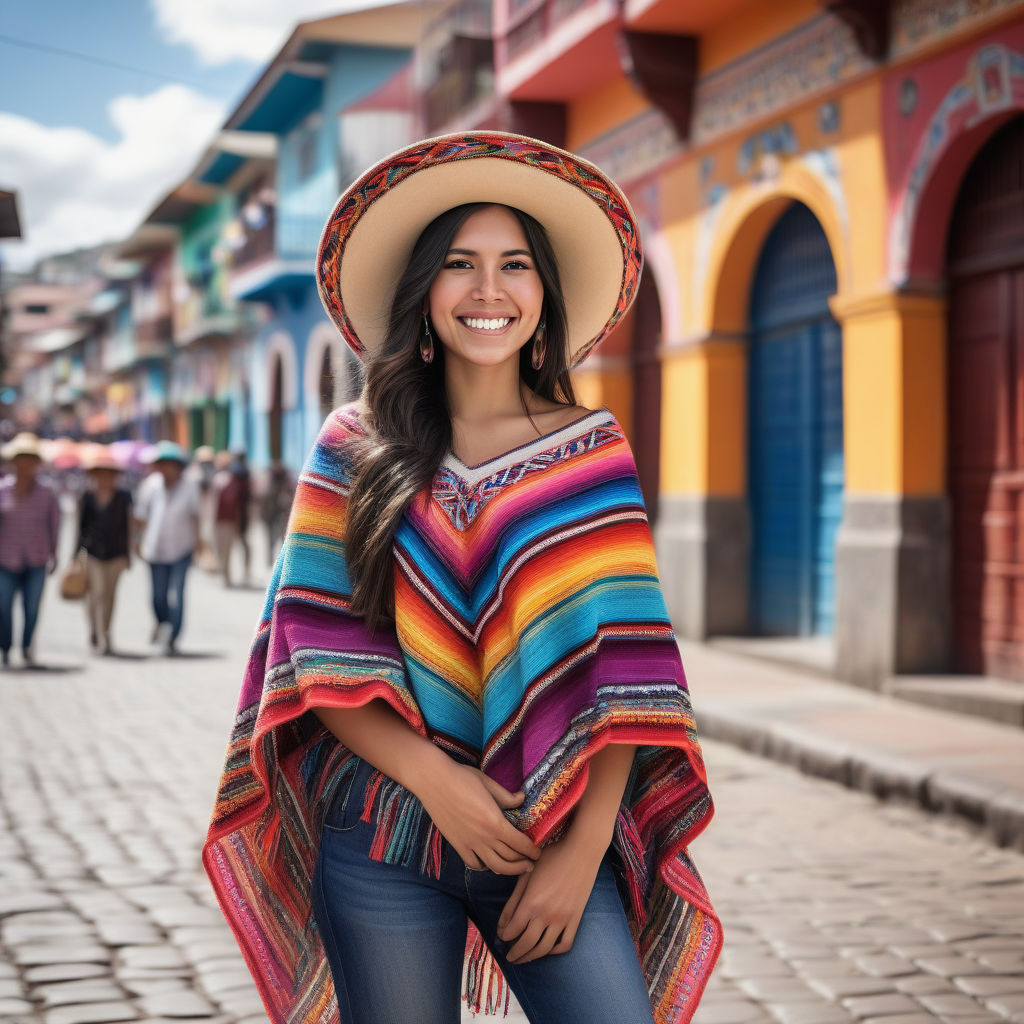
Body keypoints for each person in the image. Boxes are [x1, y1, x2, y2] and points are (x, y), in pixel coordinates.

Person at [202, 133, 722, 1024]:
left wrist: (580, 852)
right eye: (459, 265)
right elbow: (317, 655)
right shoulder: (353, 446)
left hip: (550, 832)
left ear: (544, 296)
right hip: (380, 833)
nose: (489, 291)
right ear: (424, 293)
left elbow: (629, 673)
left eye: (515, 265)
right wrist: (444, 790)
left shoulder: (590, 452)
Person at [133, 441, 200, 656]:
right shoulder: (150, 486)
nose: (165, 469)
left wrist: (199, 544)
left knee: (177, 594)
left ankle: (173, 636)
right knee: (158, 597)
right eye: (161, 464)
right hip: (155, 550)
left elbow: (195, 517)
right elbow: (140, 518)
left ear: (178, 466)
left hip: (182, 549)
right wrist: (137, 541)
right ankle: (163, 622)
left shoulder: (190, 486)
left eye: (169, 464)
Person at [0, 432, 60, 668]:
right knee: (3, 605)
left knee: (32, 607)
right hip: (5, 559)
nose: (24, 465)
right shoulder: (2, 490)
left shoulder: (47, 493)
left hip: (36, 558)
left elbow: (54, 526)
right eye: (20, 459)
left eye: (29, 459)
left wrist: (54, 555)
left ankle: (26, 646)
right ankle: (5, 646)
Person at [76, 446, 132, 655]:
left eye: (109, 474)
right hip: (92, 553)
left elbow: (129, 526)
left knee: (110, 595)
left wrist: (129, 554)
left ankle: (106, 633)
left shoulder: (124, 497)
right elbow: (80, 528)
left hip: (116, 554)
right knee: (96, 594)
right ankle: (94, 629)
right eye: (100, 474)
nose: (105, 478)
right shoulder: (87, 498)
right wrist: (75, 555)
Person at [210, 450, 244, 587]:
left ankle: (225, 573)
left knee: (225, 548)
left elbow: (233, 502)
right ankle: (224, 573)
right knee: (222, 548)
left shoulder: (229, 479)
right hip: (221, 519)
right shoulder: (220, 478)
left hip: (226, 520)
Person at [258, 459, 294, 566]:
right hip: (270, 515)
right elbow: (263, 498)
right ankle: (270, 561)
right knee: (271, 540)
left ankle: (281, 562)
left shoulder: (286, 481)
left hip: (282, 515)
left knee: (282, 539)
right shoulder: (268, 481)